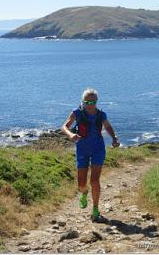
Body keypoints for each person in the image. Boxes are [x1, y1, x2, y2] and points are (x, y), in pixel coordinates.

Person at [61, 88, 120, 222]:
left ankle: (95, 208)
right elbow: (64, 126)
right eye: (87, 102)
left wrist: (114, 138)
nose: (90, 104)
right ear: (83, 101)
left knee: (94, 180)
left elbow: (108, 127)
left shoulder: (101, 114)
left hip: (98, 149)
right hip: (82, 149)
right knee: (81, 184)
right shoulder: (77, 113)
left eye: (93, 101)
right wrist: (71, 135)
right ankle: (84, 192)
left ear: (97, 101)